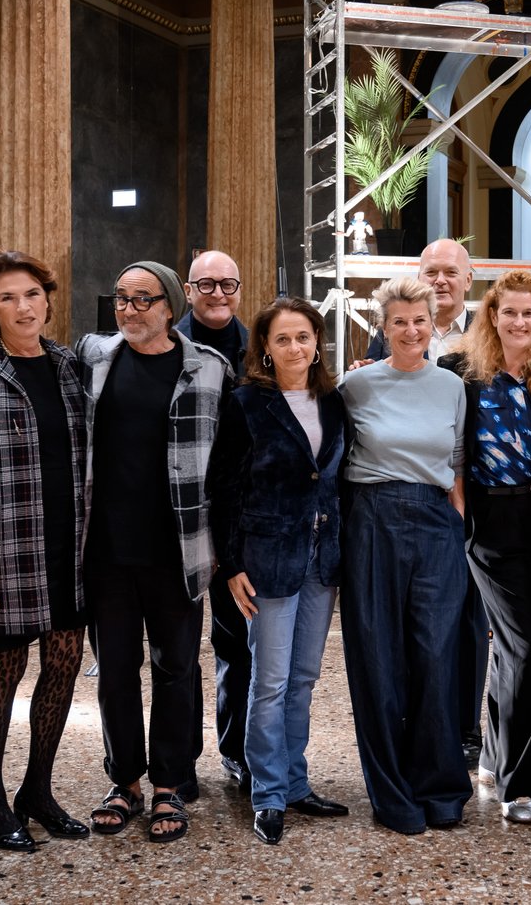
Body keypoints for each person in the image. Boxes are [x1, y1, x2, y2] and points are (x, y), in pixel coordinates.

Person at [75, 260, 231, 844]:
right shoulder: (93, 358)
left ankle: (170, 784)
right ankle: (125, 782)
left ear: (169, 306)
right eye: (121, 298)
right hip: (107, 551)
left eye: (142, 299)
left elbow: (225, 464)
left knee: (175, 669)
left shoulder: (209, 370)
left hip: (179, 550)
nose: (129, 309)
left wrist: (221, 545)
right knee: (115, 670)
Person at [0, 251, 90, 853]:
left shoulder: (67, 366)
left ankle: (37, 791)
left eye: (31, 294)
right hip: (5, 551)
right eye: (8, 298)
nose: (23, 306)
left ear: (48, 299)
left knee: (62, 666)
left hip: (67, 547)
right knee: (4, 669)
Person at [208, 297, 350, 845]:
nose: (295, 347)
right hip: (265, 559)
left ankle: (294, 782)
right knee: (268, 681)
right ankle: (267, 794)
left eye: (304, 337)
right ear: (264, 348)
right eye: (283, 338)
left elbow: (334, 478)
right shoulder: (245, 404)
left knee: (305, 678)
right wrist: (232, 564)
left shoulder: (334, 401)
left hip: (322, 559)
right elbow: (224, 489)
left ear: (318, 342)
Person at [340, 277, 471, 835]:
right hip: (371, 521)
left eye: (421, 320)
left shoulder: (452, 387)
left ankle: (440, 790)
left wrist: (459, 526)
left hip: (437, 524)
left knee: (438, 660)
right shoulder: (355, 385)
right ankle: (393, 794)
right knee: (378, 662)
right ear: (383, 327)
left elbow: (459, 460)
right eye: (400, 321)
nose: (412, 330)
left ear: (433, 322)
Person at [438, 270, 531, 824]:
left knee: (517, 646)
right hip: (490, 519)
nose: (519, 321)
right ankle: (522, 784)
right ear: (491, 316)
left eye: (529, 313)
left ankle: (492, 759)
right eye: (508, 311)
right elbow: (442, 441)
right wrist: (458, 499)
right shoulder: (461, 374)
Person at [361, 237, 488, 767]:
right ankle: (415, 734)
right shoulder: (379, 349)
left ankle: (464, 728)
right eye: (430, 270)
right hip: (394, 512)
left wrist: (461, 507)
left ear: (467, 281)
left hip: (462, 503)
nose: (440, 280)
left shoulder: (487, 338)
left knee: (465, 627)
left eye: (450, 272)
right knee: (412, 633)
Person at [177, 249, 251, 790]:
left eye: (228, 285)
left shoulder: (259, 349)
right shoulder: (164, 344)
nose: (219, 294)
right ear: (187, 289)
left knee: (236, 643)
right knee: (177, 647)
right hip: (176, 513)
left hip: (236, 517)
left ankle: (237, 751)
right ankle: (178, 762)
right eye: (207, 285)